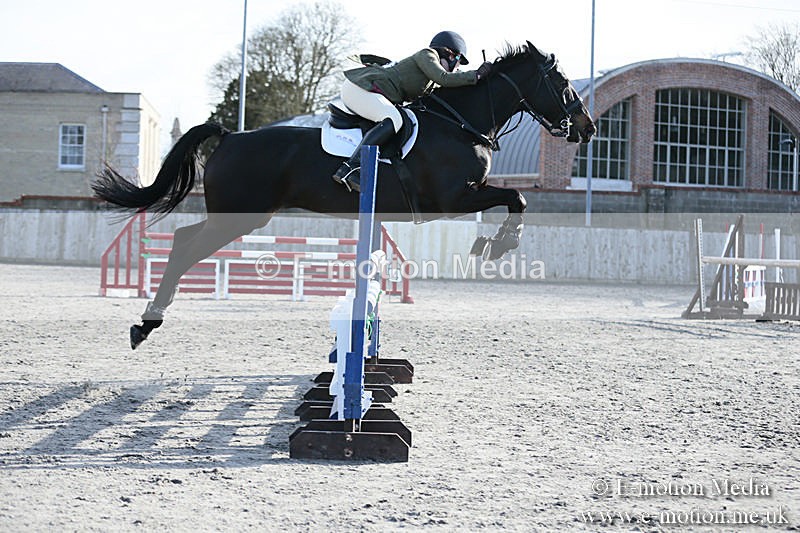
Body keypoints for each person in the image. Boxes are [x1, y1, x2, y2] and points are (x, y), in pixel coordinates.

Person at [332, 30, 493, 192]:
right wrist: (476, 75)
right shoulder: (427, 55)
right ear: (451, 56)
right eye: (459, 63)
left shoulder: (432, 79)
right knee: (394, 119)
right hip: (359, 88)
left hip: (371, 92)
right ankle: (350, 167)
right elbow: (444, 78)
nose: (457, 69)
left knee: (398, 118)